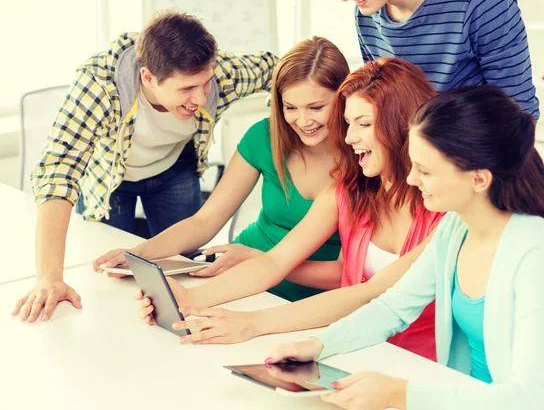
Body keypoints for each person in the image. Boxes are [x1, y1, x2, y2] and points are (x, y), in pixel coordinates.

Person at [268, 85, 544, 410]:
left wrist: (399, 394)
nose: (411, 179)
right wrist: (318, 345)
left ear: (479, 179)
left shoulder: (538, 252)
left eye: (425, 170)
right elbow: (393, 308)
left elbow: (531, 399)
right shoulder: (455, 229)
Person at [138, 58, 444, 361]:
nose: (349, 138)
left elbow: (372, 293)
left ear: (404, 125)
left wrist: (252, 323)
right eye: (348, 123)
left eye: (363, 124)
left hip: (414, 362)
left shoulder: (445, 213)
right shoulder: (347, 191)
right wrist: (189, 299)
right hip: (350, 348)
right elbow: (273, 263)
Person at [13, 10, 278, 323]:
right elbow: (59, 169)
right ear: (148, 77)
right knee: (110, 275)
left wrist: (286, 119)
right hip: (111, 180)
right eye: (186, 89)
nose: (200, 97)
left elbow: (279, 69)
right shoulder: (100, 83)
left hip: (174, 169)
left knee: (181, 270)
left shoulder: (221, 74)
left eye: (204, 83)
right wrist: (49, 278)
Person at [93, 36, 349, 302]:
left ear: (345, 97)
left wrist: (260, 260)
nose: (303, 120)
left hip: (308, 293)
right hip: (241, 273)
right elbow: (205, 221)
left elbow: (343, 275)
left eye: (316, 107)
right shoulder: (265, 137)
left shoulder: (365, 159)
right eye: (290, 107)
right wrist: (137, 254)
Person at [314, 0, 539, 118]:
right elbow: (381, 100)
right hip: (405, 158)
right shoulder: (367, 9)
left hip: (470, 157)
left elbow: (518, 112)